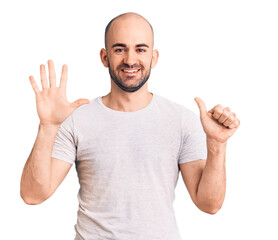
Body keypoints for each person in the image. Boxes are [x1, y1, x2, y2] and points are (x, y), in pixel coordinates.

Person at [20, 12, 240, 240]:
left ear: (154, 57)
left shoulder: (181, 119)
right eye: (119, 49)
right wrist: (47, 126)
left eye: (140, 49)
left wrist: (216, 144)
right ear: (104, 57)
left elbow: (209, 204)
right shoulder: (77, 120)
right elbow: (33, 195)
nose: (130, 59)